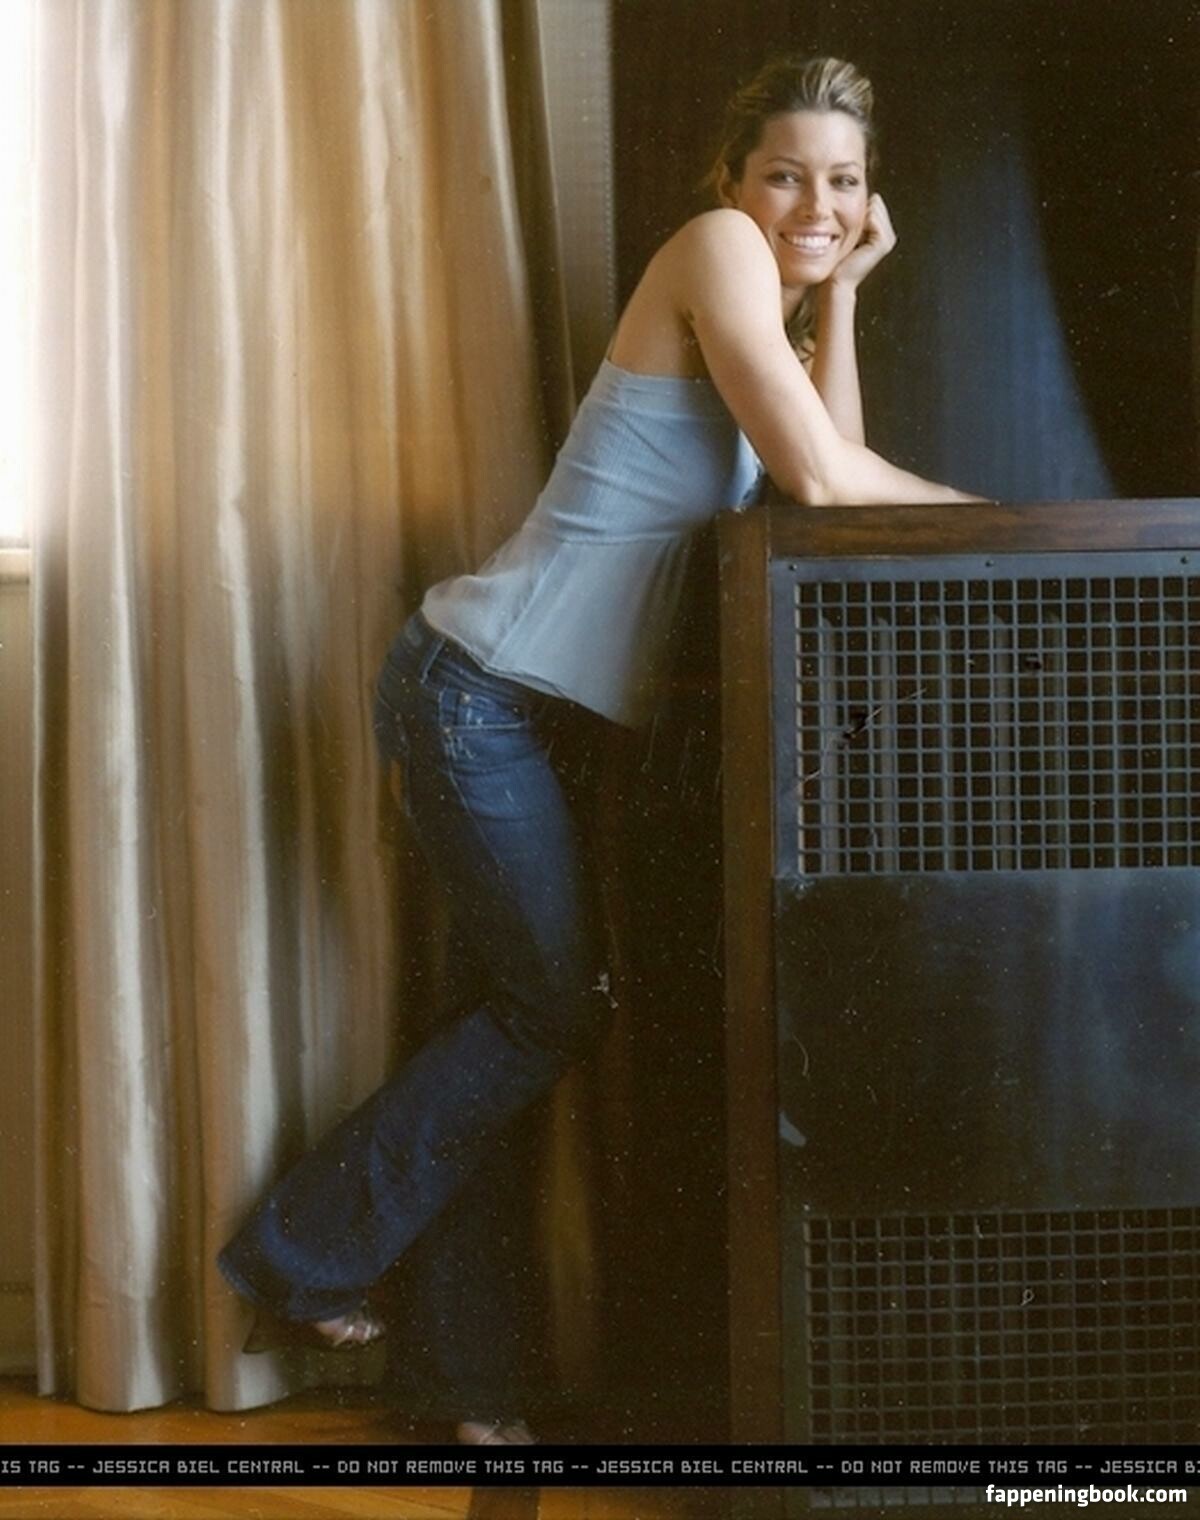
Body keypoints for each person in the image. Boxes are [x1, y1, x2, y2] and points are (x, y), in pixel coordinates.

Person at [217, 53, 982, 1446]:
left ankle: (465, 1385)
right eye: (786, 175)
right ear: (732, 181)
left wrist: (843, 296)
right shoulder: (716, 251)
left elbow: (822, 482)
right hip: (477, 695)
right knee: (550, 1011)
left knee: (501, 1024)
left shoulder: (770, 301)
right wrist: (1006, 519)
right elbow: (825, 484)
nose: (816, 205)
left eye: (845, 182)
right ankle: (298, 1252)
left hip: (534, 719)